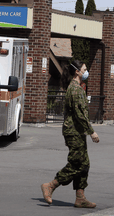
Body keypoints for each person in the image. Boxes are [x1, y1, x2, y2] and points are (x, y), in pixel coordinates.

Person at [41, 60, 99, 208]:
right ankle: (51, 185)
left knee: (84, 163)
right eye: (84, 69)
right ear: (77, 72)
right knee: (77, 163)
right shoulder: (75, 89)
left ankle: (80, 197)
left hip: (77, 131)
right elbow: (79, 114)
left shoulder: (78, 88)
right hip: (73, 131)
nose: (86, 72)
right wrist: (91, 132)